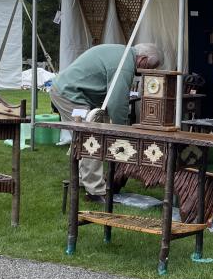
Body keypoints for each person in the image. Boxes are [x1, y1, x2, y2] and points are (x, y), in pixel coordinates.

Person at [50, 43, 162, 202]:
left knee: (86, 138)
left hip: (69, 90)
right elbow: (117, 103)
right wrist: (123, 133)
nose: (148, 73)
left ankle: (84, 179)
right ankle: (95, 190)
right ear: (142, 59)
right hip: (70, 94)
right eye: (150, 68)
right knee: (90, 139)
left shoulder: (123, 53)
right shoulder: (125, 65)